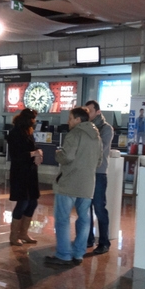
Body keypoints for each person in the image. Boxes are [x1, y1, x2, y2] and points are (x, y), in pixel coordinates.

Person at [45, 106, 102, 267]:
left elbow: (67, 156)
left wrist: (58, 154)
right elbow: (99, 161)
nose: (68, 122)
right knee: (84, 219)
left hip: (69, 182)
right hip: (87, 184)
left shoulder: (75, 134)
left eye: (70, 118)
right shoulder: (96, 136)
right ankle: (78, 253)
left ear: (78, 119)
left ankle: (64, 255)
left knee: (62, 219)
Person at [6, 108, 43, 246]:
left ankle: (23, 233)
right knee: (23, 203)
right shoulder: (15, 133)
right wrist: (33, 154)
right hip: (20, 173)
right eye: (33, 119)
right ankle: (14, 236)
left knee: (33, 202)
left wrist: (38, 153)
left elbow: (33, 148)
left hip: (30, 172)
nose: (34, 122)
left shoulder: (28, 132)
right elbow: (16, 155)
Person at [84, 100, 114, 255]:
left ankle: (104, 242)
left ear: (98, 112)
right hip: (85, 172)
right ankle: (88, 239)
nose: (87, 113)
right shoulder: (84, 127)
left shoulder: (106, 128)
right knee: (85, 207)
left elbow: (99, 148)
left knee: (99, 207)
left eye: (90, 111)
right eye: (85, 110)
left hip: (99, 173)